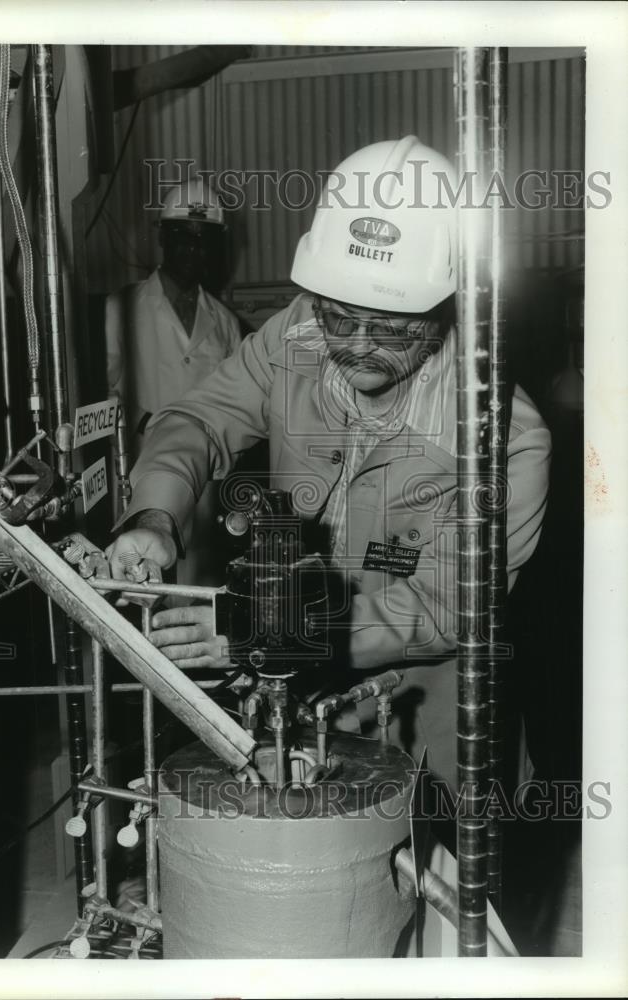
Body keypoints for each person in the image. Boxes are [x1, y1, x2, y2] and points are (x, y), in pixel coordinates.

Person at [104, 136, 551, 784]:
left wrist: (263, 626)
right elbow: (198, 419)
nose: (359, 345)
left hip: (431, 736)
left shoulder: (506, 439)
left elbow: (448, 610)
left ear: (453, 302)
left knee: (425, 881)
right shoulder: (297, 336)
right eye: (339, 317)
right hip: (292, 702)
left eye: (392, 325)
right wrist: (157, 516)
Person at [104, 178, 241, 585]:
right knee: (140, 582)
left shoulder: (226, 323)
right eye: (182, 237)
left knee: (195, 590)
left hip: (202, 482)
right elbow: (102, 393)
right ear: (163, 237)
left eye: (204, 240)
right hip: (138, 472)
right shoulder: (121, 308)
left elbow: (236, 408)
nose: (192, 250)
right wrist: (147, 422)